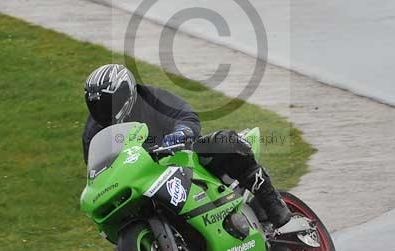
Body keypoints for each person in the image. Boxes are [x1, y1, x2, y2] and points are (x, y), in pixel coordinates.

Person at [82, 64, 291, 228]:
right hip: (142, 178)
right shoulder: (93, 134)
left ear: (126, 93)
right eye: (96, 105)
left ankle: (273, 205)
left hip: (179, 156)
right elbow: (99, 171)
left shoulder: (150, 98)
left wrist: (180, 133)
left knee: (224, 142)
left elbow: (184, 114)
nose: (102, 110)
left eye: (108, 102)